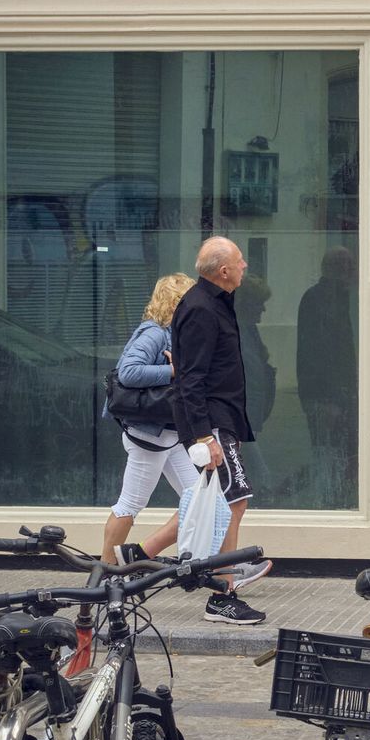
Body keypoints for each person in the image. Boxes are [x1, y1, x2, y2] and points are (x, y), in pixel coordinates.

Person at [172, 236, 270, 625]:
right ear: (223, 270)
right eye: (240, 260)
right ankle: (221, 593)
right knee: (233, 501)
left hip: (221, 419)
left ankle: (220, 576)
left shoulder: (215, 302)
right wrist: (203, 436)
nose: (245, 266)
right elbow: (190, 378)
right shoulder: (200, 309)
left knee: (230, 501)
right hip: (210, 423)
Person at [100, 273, 198, 564]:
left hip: (168, 433)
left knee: (201, 499)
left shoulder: (173, 334)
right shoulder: (155, 332)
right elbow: (128, 372)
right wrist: (173, 372)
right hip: (149, 435)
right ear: (175, 303)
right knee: (130, 504)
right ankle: (104, 573)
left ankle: (217, 564)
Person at [296, 246, 359, 508]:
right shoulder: (320, 299)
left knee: (341, 453)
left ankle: (335, 500)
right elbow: (316, 353)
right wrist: (326, 399)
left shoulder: (342, 296)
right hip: (327, 395)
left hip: (342, 393)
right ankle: (327, 503)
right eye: (349, 266)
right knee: (327, 453)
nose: (353, 271)